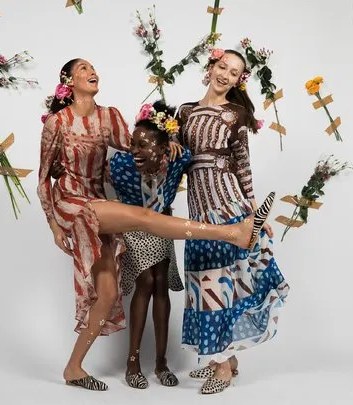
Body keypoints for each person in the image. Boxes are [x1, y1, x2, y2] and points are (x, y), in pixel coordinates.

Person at [37, 58, 276, 392]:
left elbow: (137, 143)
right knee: (149, 223)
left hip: (102, 205)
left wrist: (166, 142)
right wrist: (54, 226)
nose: (93, 72)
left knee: (107, 296)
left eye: (94, 68)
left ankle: (73, 368)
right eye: (83, 70)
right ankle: (233, 234)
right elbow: (43, 179)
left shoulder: (110, 117)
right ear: (67, 81)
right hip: (73, 203)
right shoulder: (57, 122)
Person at [173, 49, 290, 394]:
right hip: (198, 211)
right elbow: (176, 160)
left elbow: (243, 166)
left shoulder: (235, 114)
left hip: (226, 207)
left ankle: (222, 366)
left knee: (222, 284)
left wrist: (253, 212)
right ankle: (223, 357)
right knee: (202, 284)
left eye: (234, 72)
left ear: (240, 80)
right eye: (222, 66)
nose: (226, 74)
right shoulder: (185, 112)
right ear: (211, 67)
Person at [107, 100, 191, 389]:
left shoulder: (178, 158)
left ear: (163, 145)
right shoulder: (120, 164)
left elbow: (189, 153)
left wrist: (175, 141)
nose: (135, 151)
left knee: (160, 285)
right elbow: (106, 189)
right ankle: (133, 361)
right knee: (146, 280)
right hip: (135, 227)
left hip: (162, 226)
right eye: (133, 144)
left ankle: (161, 362)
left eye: (143, 145)